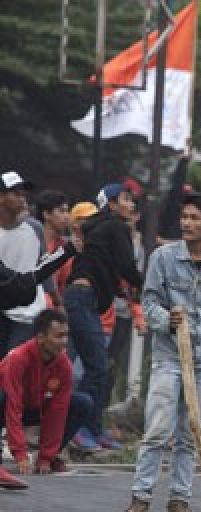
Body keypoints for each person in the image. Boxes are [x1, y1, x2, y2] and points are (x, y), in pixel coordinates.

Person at [116, 193, 201, 512]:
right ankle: (140, 501)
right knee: (157, 430)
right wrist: (166, 320)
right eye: (185, 217)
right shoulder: (163, 258)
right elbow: (148, 302)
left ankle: (179, 505)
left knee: (192, 434)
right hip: (168, 356)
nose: (188, 223)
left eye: (196, 218)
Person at [64, 182, 144, 453]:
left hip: (81, 301)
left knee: (97, 367)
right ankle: (80, 430)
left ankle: (94, 429)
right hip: (82, 300)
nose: (132, 205)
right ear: (111, 205)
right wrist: (148, 285)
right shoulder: (115, 226)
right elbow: (127, 267)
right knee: (96, 367)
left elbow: (111, 270)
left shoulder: (100, 229)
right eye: (126, 199)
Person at [0, 309, 92, 479]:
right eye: (58, 336)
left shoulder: (64, 365)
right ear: (41, 338)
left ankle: (49, 455)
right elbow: (13, 405)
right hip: (6, 407)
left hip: (34, 408)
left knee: (82, 403)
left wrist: (45, 458)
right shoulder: (18, 358)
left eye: (66, 335)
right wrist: (20, 454)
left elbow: (58, 412)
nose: (64, 342)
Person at [0, 170, 51, 358]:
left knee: (13, 363)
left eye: (24, 194)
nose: (22, 199)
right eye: (15, 193)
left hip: (27, 313)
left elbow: (44, 266)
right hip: (3, 309)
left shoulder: (35, 228)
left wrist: (55, 299)